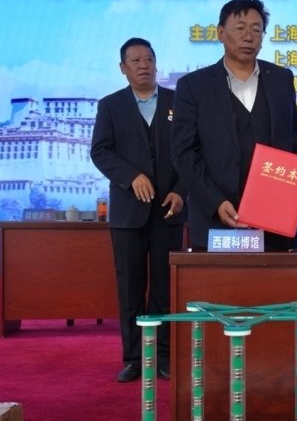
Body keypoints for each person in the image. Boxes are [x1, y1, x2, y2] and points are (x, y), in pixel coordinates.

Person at [171, 0, 297, 251]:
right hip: (216, 221)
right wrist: (215, 202)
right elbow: (183, 153)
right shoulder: (194, 86)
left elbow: (293, 135)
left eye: (256, 30)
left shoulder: (281, 79)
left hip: (273, 220)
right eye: (240, 28)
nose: (249, 37)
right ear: (220, 33)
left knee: (275, 278)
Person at [91, 37, 187, 382]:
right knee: (130, 288)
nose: (144, 65)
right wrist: (131, 176)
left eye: (149, 59)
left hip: (168, 210)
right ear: (123, 68)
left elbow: (192, 152)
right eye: (136, 60)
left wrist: (181, 191)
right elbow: (100, 152)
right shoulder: (111, 106)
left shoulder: (178, 102)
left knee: (164, 288)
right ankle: (134, 358)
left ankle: (163, 356)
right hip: (128, 213)